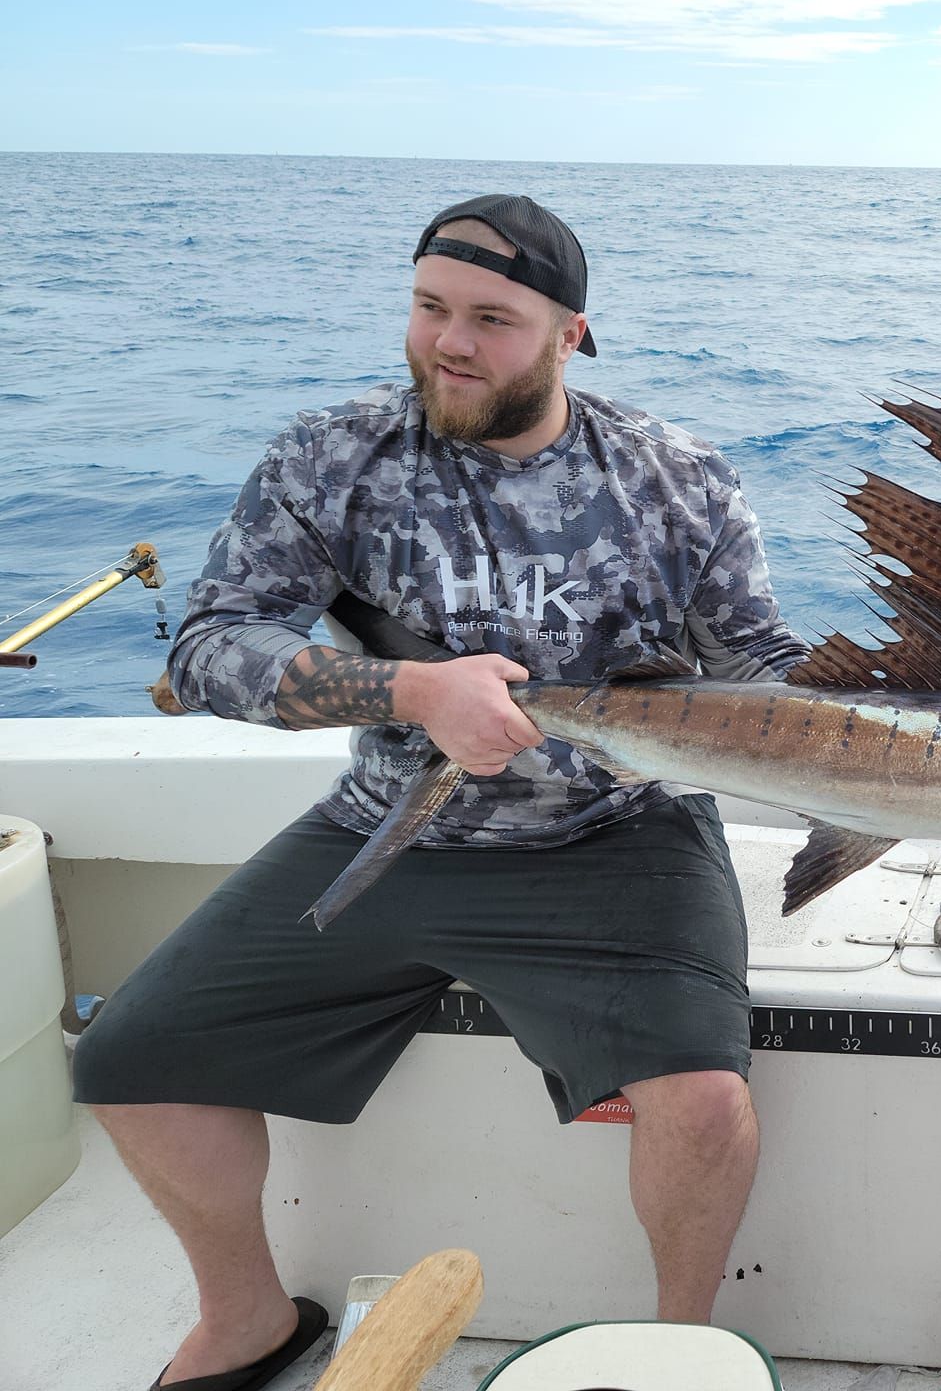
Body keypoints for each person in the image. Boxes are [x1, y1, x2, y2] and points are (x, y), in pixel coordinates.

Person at [73, 195, 810, 1391]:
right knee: (127, 1062)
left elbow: (760, 667)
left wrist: (898, 721)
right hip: (386, 832)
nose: (448, 343)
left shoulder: (678, 478)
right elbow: (207, 649)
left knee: (704, 1103)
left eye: (491, 320)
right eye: (428, 308)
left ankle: (675, 1347)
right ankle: (248, 1318)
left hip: (615, 835)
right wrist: (410, 690)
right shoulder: (332, 455)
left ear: (572, 335)